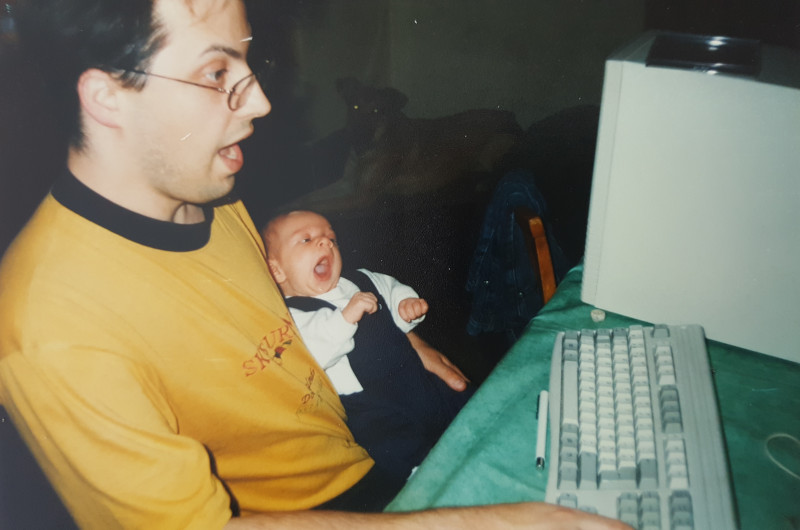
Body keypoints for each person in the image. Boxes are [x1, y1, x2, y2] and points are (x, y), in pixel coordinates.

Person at [0, 0, 630, 528]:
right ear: (108, 97)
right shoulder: (50, 324)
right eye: (218, 73)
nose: (260, 104)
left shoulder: (209, 201)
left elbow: (291, 340)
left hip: (368, 442)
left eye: (247, 63)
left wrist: (404, 345)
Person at [264, 210, 473, 481]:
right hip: (369, 404)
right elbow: (314, 352)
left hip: (410, 373)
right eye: (306, 240)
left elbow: (390, 287)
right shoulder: (292, 316)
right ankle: (425, 476)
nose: (326, 242)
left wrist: (406, 303)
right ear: (276, 270)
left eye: (331, 237)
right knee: (389, 441)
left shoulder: (360, 280)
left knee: (458, 401)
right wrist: (346, 317)